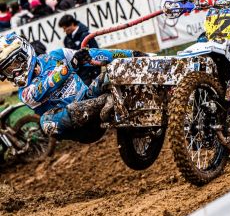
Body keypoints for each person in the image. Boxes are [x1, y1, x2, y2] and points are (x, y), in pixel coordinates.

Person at [0, 32, 139, 140]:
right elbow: (46, 86)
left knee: (112, 73)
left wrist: (131, 54)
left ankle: (136, 99)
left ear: (24, 55)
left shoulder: (57, 55)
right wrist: (71, 65)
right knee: (46, 122)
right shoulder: (24, 93)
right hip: (80, 127)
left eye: (12, 66)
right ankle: (106, 101)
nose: (12, 73)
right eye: (6, 71)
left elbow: (94, 54)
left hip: (89, 96)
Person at [58, 15, 100, 86]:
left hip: (91, 72)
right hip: (79, 74)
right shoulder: (66, 40)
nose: (64, 31)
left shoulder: (86, 35)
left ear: (72, 24)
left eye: (65, 28)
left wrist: (96, 71)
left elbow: (96, 52)